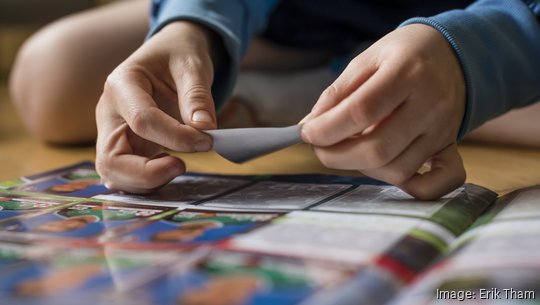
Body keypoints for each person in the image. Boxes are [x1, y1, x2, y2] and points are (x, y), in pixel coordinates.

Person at [9, 0, 540, 200]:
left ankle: (369, 94)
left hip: (492, 20)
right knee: (49, 74)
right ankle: (349, 89)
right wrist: (191, 24)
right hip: (296, 20)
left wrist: (476, 55)